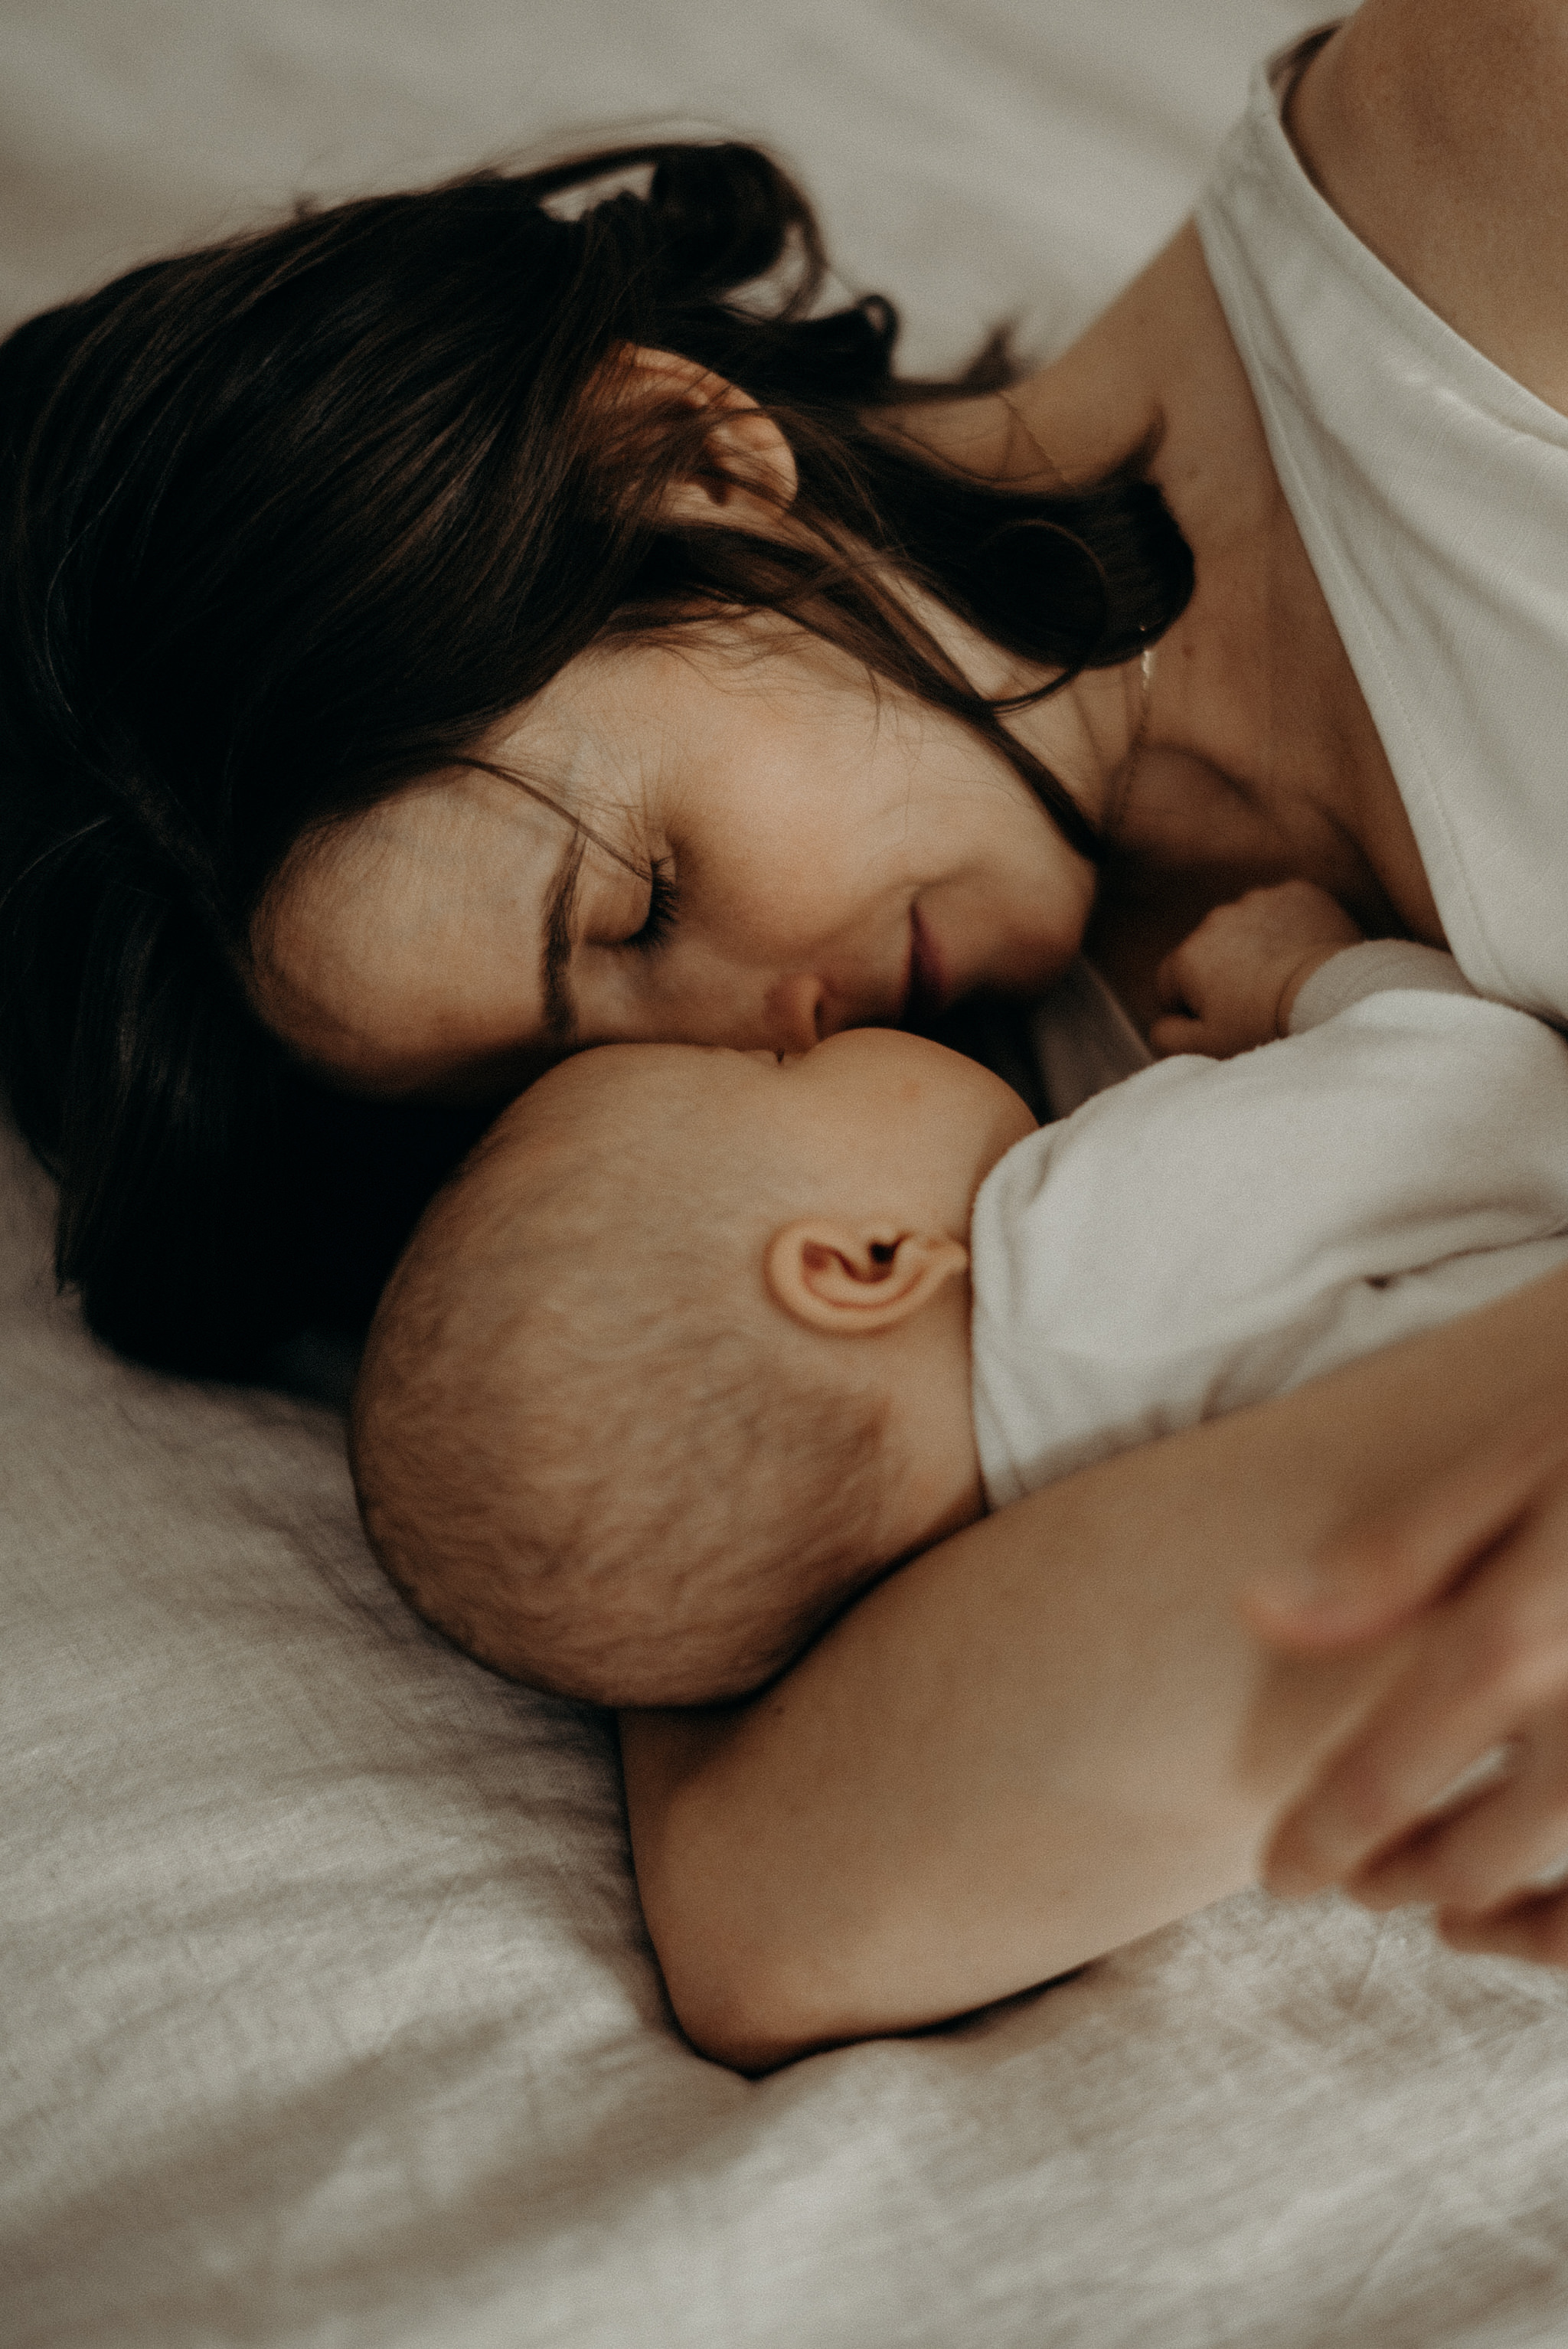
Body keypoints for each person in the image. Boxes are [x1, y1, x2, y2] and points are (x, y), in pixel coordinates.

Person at [4, 0, 1568, 2022]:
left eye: (641, 892)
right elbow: (785, 1904)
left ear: (677, 449)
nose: (760, 1032)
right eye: (580, 1077)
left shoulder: (1480, 173)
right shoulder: (965, 1224)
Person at [351, 880, 1568, 1733]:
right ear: (864, 1264)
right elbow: (1503, 1095)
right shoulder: (1071, 1256)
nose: (815, 1028)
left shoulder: (1049, 1560)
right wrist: (1304, 974)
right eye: (775, 1071)